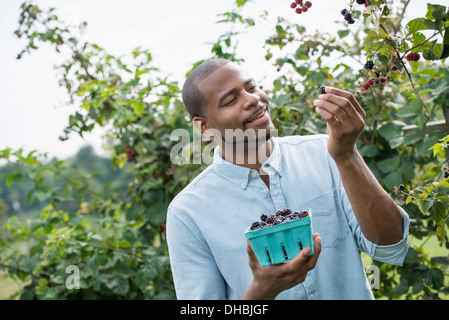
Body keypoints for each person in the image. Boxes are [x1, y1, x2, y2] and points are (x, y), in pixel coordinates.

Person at [166, 58, 409, 300]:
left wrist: (347, 156)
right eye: (231, 100)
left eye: (252, 88)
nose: (253, 99)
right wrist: (263, 291)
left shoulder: (327, 153)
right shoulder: (188, 213)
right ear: (205, 127)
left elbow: (391, 245)